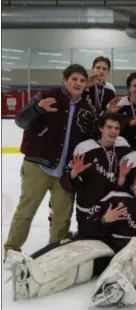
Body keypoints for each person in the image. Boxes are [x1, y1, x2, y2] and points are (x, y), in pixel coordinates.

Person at [6, 171, 136, 308]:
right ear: (131, 186)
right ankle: (36, 275)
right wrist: (105, 220)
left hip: (134, 253)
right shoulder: (116, 198)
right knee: (79, 253)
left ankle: (113, 288)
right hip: (109, 248)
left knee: (134, 247)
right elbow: (86, 230)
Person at [4, 64, 96, 256]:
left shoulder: (87, 108)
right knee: (26, 210)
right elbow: (20, 120)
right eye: (74, 79)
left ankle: (55, 251)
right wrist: (38, 109)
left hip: (64, 172)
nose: (78, 83)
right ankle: (11, 250)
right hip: (37, 166)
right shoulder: (47, 96)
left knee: (62, 216)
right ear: (65, 80)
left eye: (82, 80)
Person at [60, 112, 131, 233]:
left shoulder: (124, 146)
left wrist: (122, 180)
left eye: (116, 128)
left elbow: (128, 180)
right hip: (89, 210)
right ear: (100, 128)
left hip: (113, 210)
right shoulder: (85, 148)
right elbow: (66, 185)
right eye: (109, 127)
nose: (113, 131)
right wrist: (74, 173)